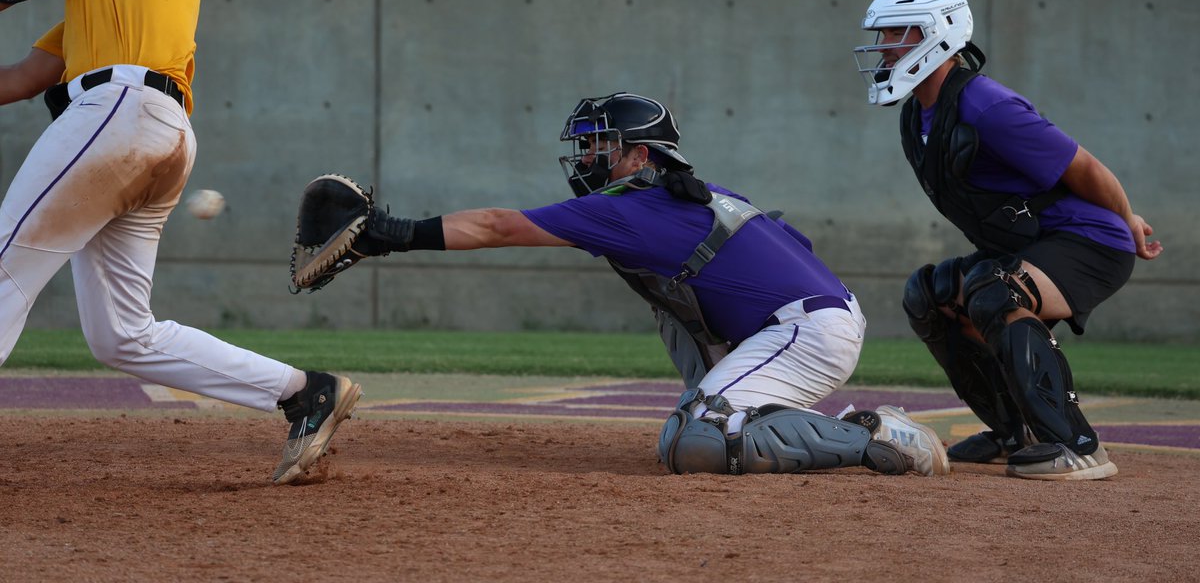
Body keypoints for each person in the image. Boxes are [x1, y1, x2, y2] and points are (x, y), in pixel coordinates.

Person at [295, 91, 950, 477]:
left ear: (641, 156)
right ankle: (743, 413)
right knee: (675, 370)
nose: (585, 159)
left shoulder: (636, 204)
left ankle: (873, 438)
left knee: (697, 440)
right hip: (805, 318)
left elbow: (497, 226)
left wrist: (388, 232)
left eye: (599, 146)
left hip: (808, 330)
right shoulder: (674, 198)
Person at [0, 0, 360, 484]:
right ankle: (305, 393)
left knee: (6, 268)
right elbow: (24, 79)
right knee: (122, 335)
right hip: (151, 131)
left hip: (120, 112)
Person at [853, 0, 1163, 481]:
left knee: (995, 291)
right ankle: (1012, 433)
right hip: (1039, 242)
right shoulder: (919, 116)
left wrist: (1127, 220)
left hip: (1092, 242)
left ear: (940, 32)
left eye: (897, 33)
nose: (885, 46)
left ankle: (1075, 444)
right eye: (884, 34)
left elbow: (1085, 170)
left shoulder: (989, 107)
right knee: (927, 295)